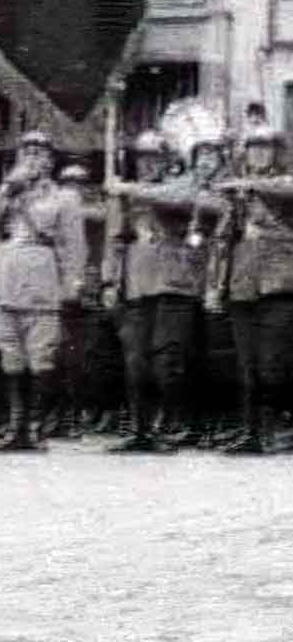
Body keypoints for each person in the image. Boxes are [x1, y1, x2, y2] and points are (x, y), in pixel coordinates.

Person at [103, 130, 226, 452]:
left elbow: (181, 200)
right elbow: (117, 240)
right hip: (137, 283)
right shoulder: (128, 197)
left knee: (167, 359)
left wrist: (129, 189)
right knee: (135, 361)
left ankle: (170, 424)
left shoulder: (183, 185)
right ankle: (140, 429)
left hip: (176, 282)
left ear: (168, 161)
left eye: (155, 158)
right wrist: (110, 281)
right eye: (142, 158)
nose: (148, 164)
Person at [0, 130, 87, 452]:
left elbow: (74, 245)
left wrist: (72, 284)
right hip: (5, 274)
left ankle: (36, 427)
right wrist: (7, 189)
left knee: (40, 353)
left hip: (41, 274)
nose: (33, 158)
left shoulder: (64, 197)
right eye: (27, 152)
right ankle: (15, 426)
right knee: (9, 351)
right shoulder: (7, 191)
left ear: (51, 162)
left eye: (40, 153)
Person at [207, 127, 293, 453]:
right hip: (242, 286)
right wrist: (216, 286)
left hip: (280, 284)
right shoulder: (237, 196)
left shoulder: (282, 184)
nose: (258, 154)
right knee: (248, 365)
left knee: (274, 363)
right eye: (253, 148)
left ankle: (277, 428)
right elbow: (221, 243)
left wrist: (247, 185)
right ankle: (251, 431)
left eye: (265, 148)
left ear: (276, 153)